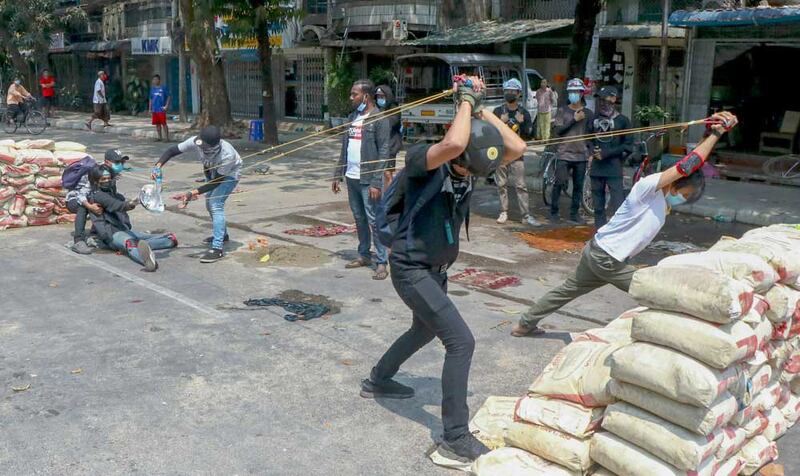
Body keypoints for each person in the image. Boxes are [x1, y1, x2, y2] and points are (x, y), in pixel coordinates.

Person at [360, 76, 528, 468]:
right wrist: (464, 102)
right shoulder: (423, 159)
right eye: (467, 168)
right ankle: (454, 437)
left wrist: (482, 106)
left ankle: (378, 379)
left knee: (423, 329)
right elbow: (453, 143)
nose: (470, 174)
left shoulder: (470, 160)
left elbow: (518, 147)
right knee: (461, 342)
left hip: (435, 270)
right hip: (409, 267)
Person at [511, 111, 738, 337]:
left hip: (599, 251)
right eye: (684, 195)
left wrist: (712, 130)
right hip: (607, 258)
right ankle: (667, 338)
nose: (683, 200)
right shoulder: (648, 188)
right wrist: (716, 136)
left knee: (566, 291)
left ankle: (524, 324)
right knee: (654, 293)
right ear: (674, 183)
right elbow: (686, 166)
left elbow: (692, 165)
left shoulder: (662, 199)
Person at [332, 79, 391, 280]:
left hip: (368, 179)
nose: (351, 98)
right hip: (351, 177)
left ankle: (382, 261)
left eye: (354, 94)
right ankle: (364, 255)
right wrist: (337, 173)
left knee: (374, 220)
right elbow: (345, 148)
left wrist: (376, 182)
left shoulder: (379, 119)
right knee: (359, 219)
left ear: (365, 96)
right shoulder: (353, 117)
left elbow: (384, 152)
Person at [155, 125, 241, 263]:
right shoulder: (196, 141)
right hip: (211, 172)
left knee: (215, 204)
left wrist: (191, 193)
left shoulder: (227, 154)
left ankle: (217, 249)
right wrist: (157, 166)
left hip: (228, 176)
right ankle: (223, 235)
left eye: (205, 146)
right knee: (209, 203)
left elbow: (215, 182)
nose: (201, 148)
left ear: (214, 146)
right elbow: (172, 151)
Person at [86, 165, 178, 272]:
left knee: (152, 238)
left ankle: (168, 241)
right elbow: (117, 205)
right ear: (96, 181)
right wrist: (132, 203)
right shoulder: (97, 196)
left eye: (108, 178)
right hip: (111, 233)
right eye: (103, 179)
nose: (107, 181)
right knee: (130, 243)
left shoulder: (112, 192)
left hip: (123, 228)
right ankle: (147, 260)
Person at [65, 149, 130, 254]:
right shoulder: (95, 172)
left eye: (122, 162)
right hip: (75, 199)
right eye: (117, 162)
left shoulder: (113, 173)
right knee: (86, 205)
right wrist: (90, 207)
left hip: (93, 196)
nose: (120, 165)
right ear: (107, 162)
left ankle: (97, 233)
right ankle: (78, 241)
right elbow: (81, 195)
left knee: (114, 200)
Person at [493, 78, 539, 227]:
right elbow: (492, 133)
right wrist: (501, 122)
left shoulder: (523, 113)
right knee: (501, 184)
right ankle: (503, 211)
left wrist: (521, 123)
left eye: (513, 91)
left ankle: (525, 215)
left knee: (520, 185)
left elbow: (529, 135)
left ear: (519, 94)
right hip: (501, 154)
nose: (509, 93)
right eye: (507, 91)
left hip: (517, 155)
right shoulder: (498, 112)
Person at [586, 86, 633, 228]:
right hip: (596, 169)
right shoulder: (593, 119)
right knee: (598, 207)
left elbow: (628, 146)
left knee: (618, 206)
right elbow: (587, 139)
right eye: (599, 99)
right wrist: (592, 150)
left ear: (613, 99)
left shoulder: (623, 121)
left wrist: (606, 154)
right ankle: (600, 233)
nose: (602, 102)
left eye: (605, 99)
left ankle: (618, 233)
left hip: (614, 169)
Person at [549, 78, 593, 224]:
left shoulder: (588, 113)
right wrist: (574, 119)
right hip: (564, 154)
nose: (573, 94)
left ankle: (574, 213)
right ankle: (554, 212)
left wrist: (591, 152)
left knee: (578, 187)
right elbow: (558, 131)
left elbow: (591, 135)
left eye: (576, 92)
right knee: (559, 183)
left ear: (581, 93)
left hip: (581, 155)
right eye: (571, 92)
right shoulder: (562, 110)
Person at [375, 84, 402, 188]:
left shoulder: (394, 109)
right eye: (378, 96)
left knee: (387, 174)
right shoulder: (376, 109)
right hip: (377, 146)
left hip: (390, 146)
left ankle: (388, 198)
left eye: (382, 96)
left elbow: (390, 124)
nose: (379, 99)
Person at [149, 74, 171, 142]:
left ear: (159, 80)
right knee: (157, 124)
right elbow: (150, 99)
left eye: (156, 79)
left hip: (161, 109)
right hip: (154, 109)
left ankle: (167, 138)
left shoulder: (163, 88)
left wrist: (166, 106)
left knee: (164, 123)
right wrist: (150, 108)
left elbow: (168, 97)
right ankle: (159, 137)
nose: (155, 81)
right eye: (154, 79)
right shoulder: (152, 89)